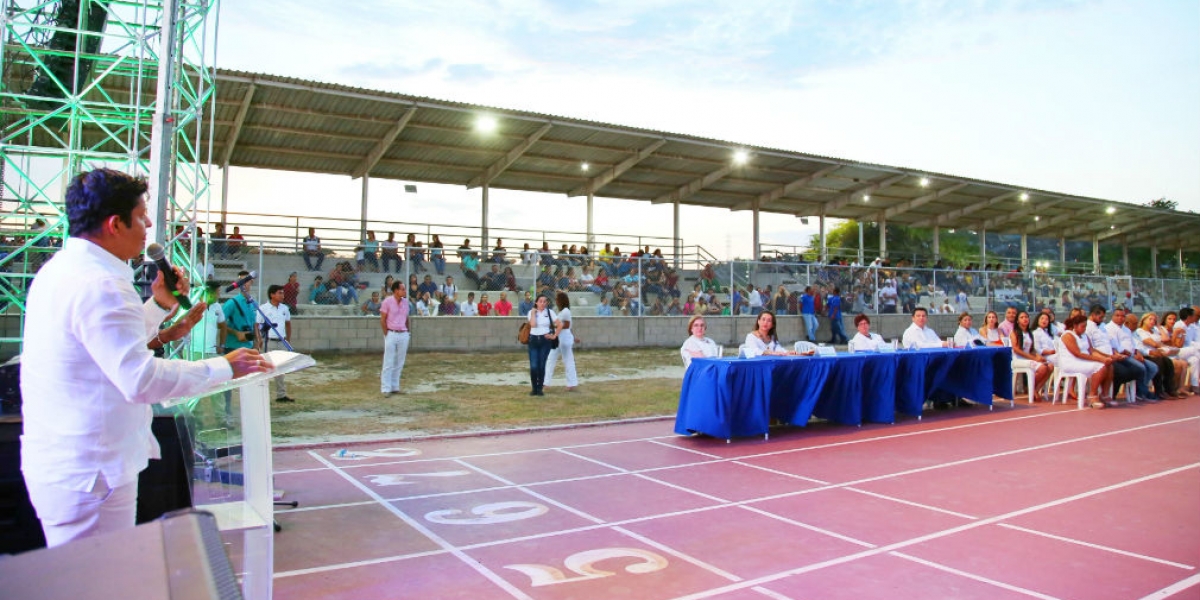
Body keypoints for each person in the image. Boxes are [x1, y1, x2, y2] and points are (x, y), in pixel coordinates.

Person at [20, 168, 266, 548]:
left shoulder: (65, 270)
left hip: (73, 465)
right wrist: (225, 366)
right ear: (115, 224)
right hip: (92, 473)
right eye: (141, 216)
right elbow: (138, 378)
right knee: (99, 582)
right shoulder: (101, 284)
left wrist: (159, 307)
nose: (149, 224)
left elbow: (104, 351)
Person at [1059, 313, 1115, 408]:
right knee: (1101, 366)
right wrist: (1101, 359)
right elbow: (1078, 354)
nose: (1084, 329)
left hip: (1084, 362)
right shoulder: (1067, 335)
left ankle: (1104, 395)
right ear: (1075, 326)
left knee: (1110, 366)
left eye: (1085, 326)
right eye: (1082, 326)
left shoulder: (1085, 335)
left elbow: (1091, 351)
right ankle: (1092, 395)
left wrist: (1108, 357)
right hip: (1071, 363)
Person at [257, 284, 294, 403]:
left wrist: (287, 338)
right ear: (272, 295)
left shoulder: (284, 308)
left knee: (281, 368)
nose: (282, 295)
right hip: (269, 341)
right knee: (266, 368)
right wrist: (259, 339)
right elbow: (257, 325)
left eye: (283, 293)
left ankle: (281, 394)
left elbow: (288, 324)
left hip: (281, 341)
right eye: (280, 293)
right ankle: (261, 393)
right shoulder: (263, 308)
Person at [1010, 311, 1052, 402]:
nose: (1025, 319)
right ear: (1017, 321)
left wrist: (1038, 357)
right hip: (1018, 359)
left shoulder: (1029, 333)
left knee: (1050, 366)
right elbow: (1016, 349)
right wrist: (1033, 358)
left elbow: (1032, 349)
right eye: (1022, 317)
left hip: (1028, 358)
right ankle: (1031, 389)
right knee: (1042, 368)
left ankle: (1035, 390)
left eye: (1026, 317)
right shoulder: (1014, 332)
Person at [379, 281, 410, 396]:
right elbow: (382, 319)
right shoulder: (387, 301)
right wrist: (386, 333)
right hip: (391, 333)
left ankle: (395, 386)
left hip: (403, 333)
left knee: (400, 361)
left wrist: (408, 332)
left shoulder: (406, 302)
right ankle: (386, 388)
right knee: (388, 361)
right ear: (396, 290)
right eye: (402, 289)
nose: (404, 291)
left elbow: (406, 318)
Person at [545, 291, 578, 391]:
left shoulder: (566, 311)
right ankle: (570, 383)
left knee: (562, 360)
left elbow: (567, 325)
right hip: (561, 338)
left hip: (562, 339)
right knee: (556, 360)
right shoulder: (563, 312)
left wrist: (554, 325)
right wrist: (574, 337)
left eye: (557, 299)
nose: (556, 301)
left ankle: (569, 383)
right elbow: (569, 327)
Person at [526, 294, 557, 396]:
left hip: (545, 341)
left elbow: (559, 324)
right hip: (533, 340)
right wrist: (534, 313)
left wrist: (553, 336)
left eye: (545, 301)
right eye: (541, 301)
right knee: (534, 365)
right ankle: (534, 388)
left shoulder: (550, 312)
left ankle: (540, 388)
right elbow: (533, 325)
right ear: (536, 302)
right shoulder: (531, 312)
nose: (543, 303)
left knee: (541, 365)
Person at [224, 270, 257, 350]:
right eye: (241, 281)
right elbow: (219, 323)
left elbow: (254, 324)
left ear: (251, 282)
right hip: (233, 346)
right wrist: (236, 333)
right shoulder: (231, 302)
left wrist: (257, 341)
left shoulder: (254, 303)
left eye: (246, 281)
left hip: (249, 346)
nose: (243, 284)